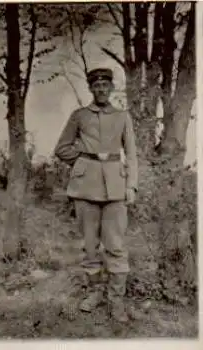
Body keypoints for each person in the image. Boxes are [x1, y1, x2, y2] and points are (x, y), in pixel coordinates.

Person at [55, 68, 138, 323]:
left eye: (105, 85)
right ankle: (94, 293)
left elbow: (132, 155)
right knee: (90, 246)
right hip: (85, 187)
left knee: (115, 245)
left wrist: (131, 186)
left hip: (115, 187)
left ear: (112, 88)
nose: (101, 89)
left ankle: (116, 300)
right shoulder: (79, 116)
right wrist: (84, 161)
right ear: (91, 89)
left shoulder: (123, 116)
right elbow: (62, 149)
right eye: (96, 85)